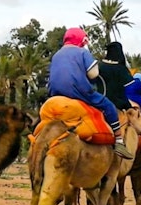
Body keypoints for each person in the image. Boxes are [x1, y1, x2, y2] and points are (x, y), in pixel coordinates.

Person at [47, 28, 133, 159]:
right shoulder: (82, 52)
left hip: (54, 93)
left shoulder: (56, 54)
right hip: (78, 91)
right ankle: (119, 141)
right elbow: (94, 74)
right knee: (108, 106)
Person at [98, 42, 141, 172]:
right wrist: (131, 106)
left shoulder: (99, 66)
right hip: (118, 105)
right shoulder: (121, 69)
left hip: (99, 103)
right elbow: (127, 88)